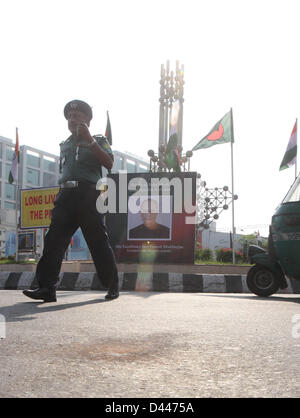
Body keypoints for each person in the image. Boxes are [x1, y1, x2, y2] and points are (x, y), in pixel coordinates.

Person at [23, 99, 119, 302]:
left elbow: (109, 163)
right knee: (53, 241)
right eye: (69, 117)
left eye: (77, 116)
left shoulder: (99, 139)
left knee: (97, 242)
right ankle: (46, 288)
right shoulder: (65, 144)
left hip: (88, 194)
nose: (72, 119)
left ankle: (112, 285)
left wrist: (90, 140)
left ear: (87, 121)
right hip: (66, 195)